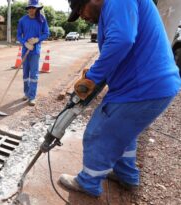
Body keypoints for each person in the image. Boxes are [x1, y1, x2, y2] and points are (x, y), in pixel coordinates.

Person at [58, 0, 181, 197]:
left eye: (80, 9)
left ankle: (88, 183)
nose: (82, 16)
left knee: (98, 133)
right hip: (149, 85)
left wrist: (92, 78)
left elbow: (122, 40)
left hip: (142, 87)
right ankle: (127, 176)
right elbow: (119, 49)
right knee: (123, 133)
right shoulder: (114, 8)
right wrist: (95, 75)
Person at [17, 0, 50, 106]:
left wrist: (37, 40)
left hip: (35, 51)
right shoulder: (22, 20)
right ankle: (26, 93)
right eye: (30, 8)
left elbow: (46, 33)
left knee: (34, 75)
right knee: (25, 74)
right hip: (25, 50)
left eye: (34, 8)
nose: (32, 10)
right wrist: (24, 43)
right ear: (28, 9)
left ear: (37, 9)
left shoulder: (41, 20)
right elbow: (18, 35)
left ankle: (32, 97)